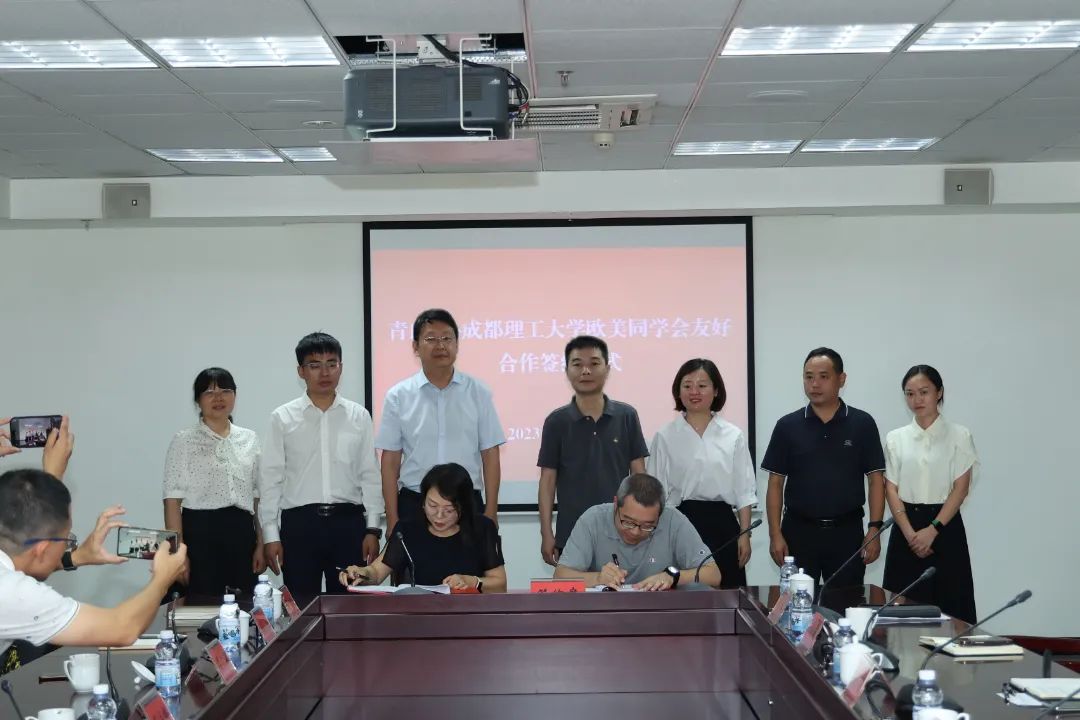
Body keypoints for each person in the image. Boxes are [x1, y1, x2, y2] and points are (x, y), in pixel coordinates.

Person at [0, 467, 188, 674]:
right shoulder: (16, 594)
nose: (68, 545)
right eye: (67, 540)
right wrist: (162, 579)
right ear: (42, 549)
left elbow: (23, 566)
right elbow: (122, 629)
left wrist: (77, 556)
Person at [259, 332, 384, 601]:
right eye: (315, 365)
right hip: (300, 526)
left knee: (350, 606)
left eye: (332, 364)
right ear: (301, 371)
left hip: (348, 524)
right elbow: (270, 479)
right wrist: (270, 535)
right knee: (301, 607)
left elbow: (370, 475)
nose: (325, 372)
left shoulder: (358, 416)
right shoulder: (282, 418)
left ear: (341, 367)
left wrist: (373, 529)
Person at [761, 347, 886, 588]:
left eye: (823, 376)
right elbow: (775, 484)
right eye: (808, 377)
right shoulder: (787, 426)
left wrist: (874, 529)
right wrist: (775, 534)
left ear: (842, 379)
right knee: (797, 604)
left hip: (847, 533)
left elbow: (875, 480)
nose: (814, 384)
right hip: (798, 533)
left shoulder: (862, 424)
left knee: (846, 603)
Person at [377, 309, 505, 532]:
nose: (440, 345)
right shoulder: (398, 396)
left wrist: (491, 511)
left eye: (447, 338)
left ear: (457, 344)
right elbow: (390, 461)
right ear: (415, 347)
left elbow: (490, 454)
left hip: (466, 502)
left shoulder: (478, 392)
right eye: (431, 339)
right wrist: (392, 517)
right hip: (415, 502)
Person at [538, 335, 648, 567]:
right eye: (577, 364)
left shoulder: (626, 416)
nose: (586, 371)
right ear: (567, 371)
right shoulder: (556, 421)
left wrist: (642, 525)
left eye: (594, 363)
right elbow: (547, 482)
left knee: (621, 589)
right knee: (574, 590)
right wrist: (547, 533)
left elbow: (640, 476)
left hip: (622, 532)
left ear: (607, 369)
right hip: (572, 533)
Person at [647, 359, 757, 588]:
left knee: (728, 592)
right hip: (681, 522)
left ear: (716, 390)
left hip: (723, 523)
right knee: (684, 591)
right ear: (678, 391)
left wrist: (744, 534)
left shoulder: (733, 435)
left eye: (702, 385)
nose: (694, 392)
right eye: (687, 386)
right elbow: (655, 491)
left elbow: (744, 491)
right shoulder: (665, 435)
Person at [883, 365, 978, 623]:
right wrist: (909, 533)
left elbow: (960, 488)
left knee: (952, 610)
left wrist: (933, 529)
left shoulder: (959, 435)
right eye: (910, 393)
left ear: (939, 392)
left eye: (924, 392)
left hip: (945, 527)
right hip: (906, 529)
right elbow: (890, 488)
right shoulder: (896, 438)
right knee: (901, 614)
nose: (917, 399)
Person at [163, 368, 264, 598]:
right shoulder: (184, 441)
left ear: (235, 395)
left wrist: (261, 543)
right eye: (209, 392)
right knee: (201, 607)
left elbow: (257, 498)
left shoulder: (249, 438)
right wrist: (178, 553)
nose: (218, 398)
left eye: (225, 391)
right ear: (198, 401)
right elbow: (171, 502)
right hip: (200, 534)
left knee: (243, 607)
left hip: (242, 534)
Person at [340, 463, 505, 592]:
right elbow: (376, 573)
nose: (439, 515)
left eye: (449, 510)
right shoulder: (407, 529)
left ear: (464, 507)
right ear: (423, 501)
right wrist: (361, 573)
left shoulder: (482, 528)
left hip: (469, 614)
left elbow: (500, 584)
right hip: (419, 614)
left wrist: (472, 581)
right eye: (432, 505)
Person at [554, 473, 720, 590]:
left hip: (662, 615)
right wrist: (597, 578)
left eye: (647, 525)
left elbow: (713, 575)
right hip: (604, 613)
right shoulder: (593, 519)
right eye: (628, 522)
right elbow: (560, 576)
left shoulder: (674, 520)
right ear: (615, 504)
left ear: (660, 515)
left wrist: (672, 576)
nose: (635, 532)